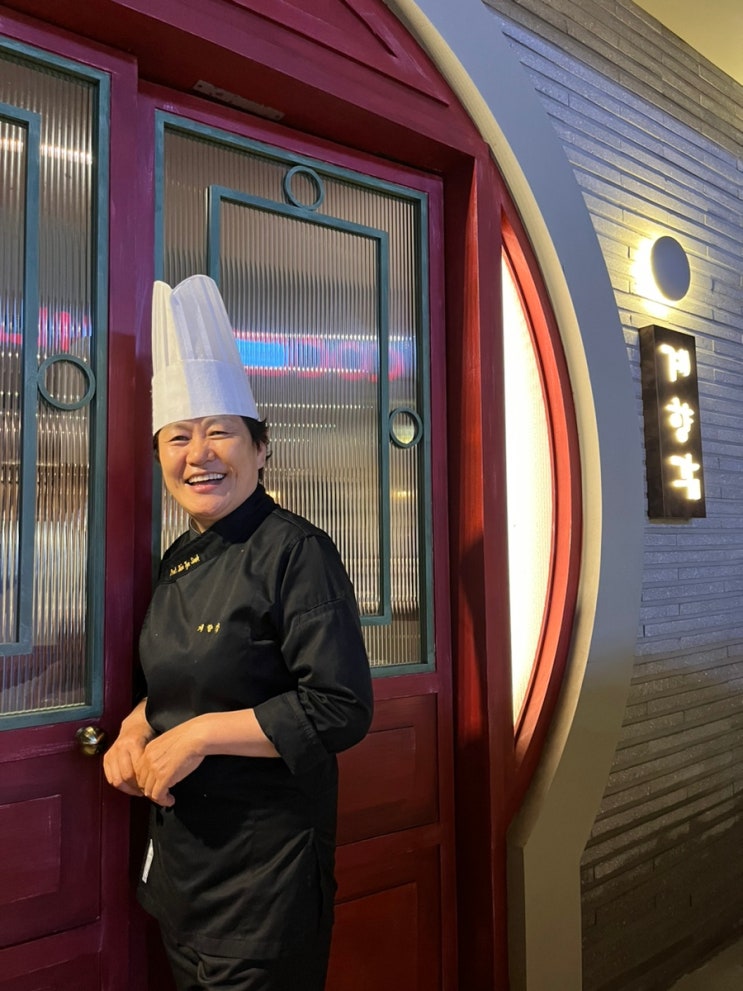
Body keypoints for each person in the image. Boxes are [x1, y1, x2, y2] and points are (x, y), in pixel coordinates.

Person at [103, 274, 373, 991]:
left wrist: (196, 736)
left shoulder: (297, 553)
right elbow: (183, 680)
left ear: (260, 449)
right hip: (184, 874)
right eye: (179, 437)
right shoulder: (178, 558)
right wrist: (135, 728)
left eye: (220, 432)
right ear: (161, 458)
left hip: (266, 881)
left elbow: (339, 708)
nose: (199, 453)